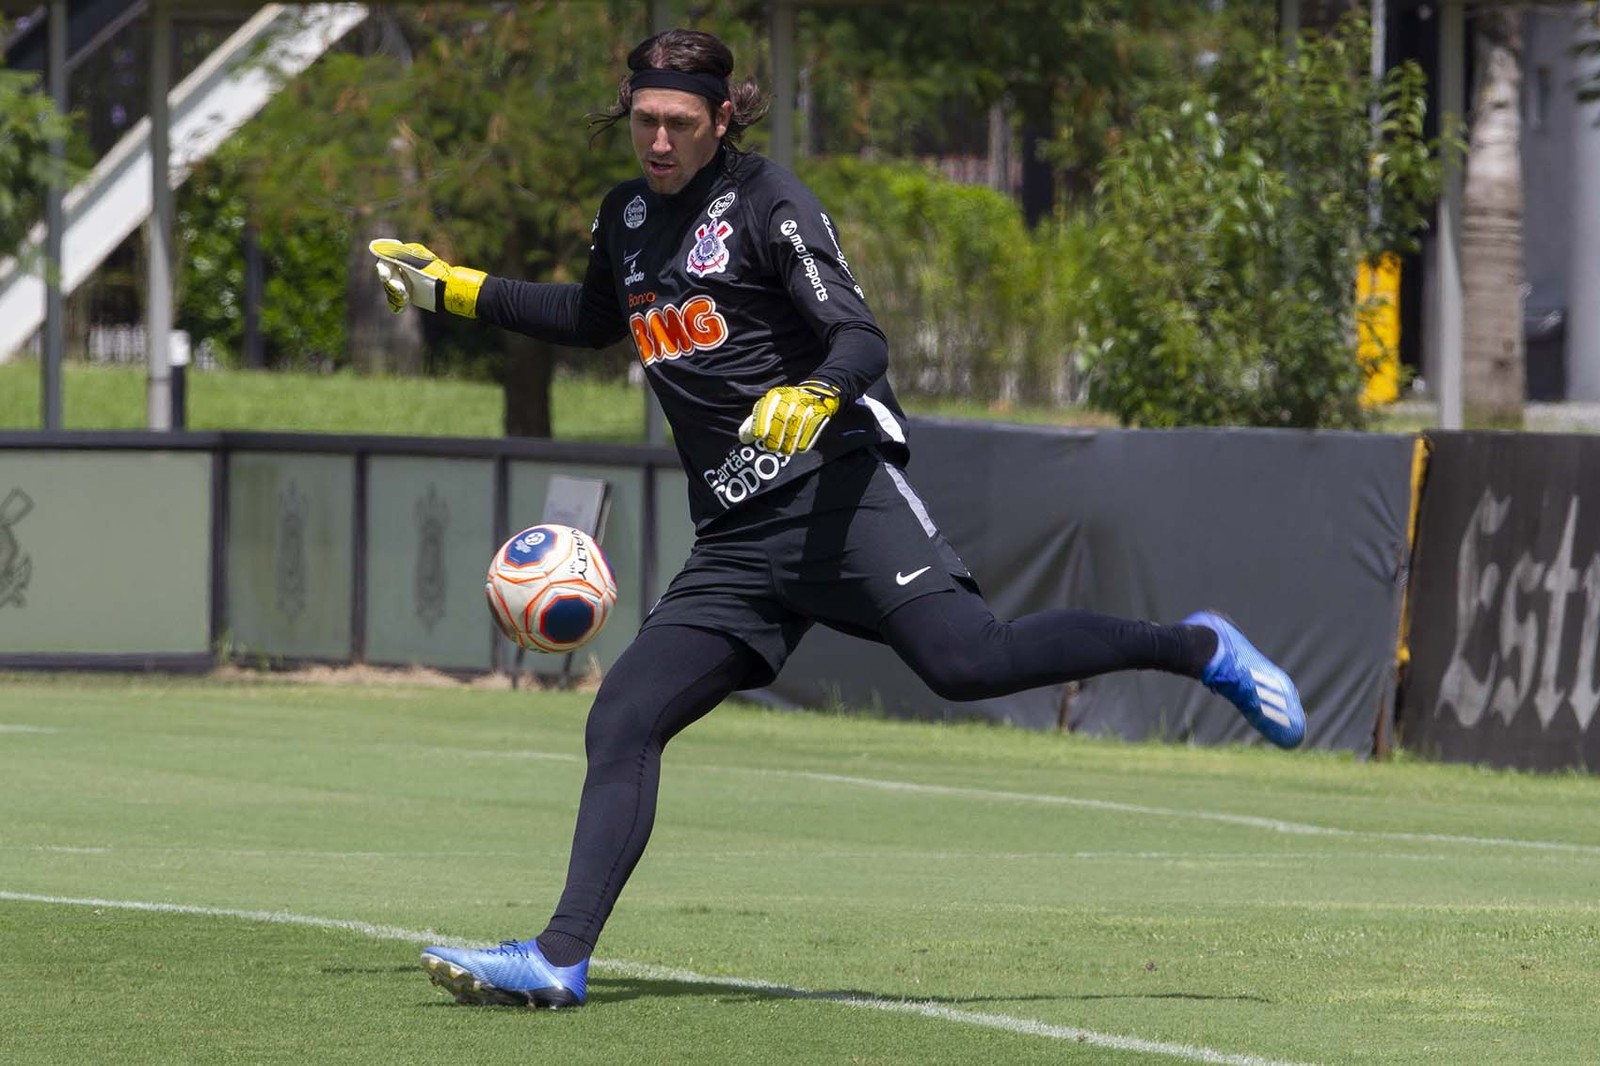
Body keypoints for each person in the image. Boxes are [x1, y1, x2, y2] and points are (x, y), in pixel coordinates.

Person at [370, 27, 1305, 1011]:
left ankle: (1196, 646)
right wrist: (456, 287)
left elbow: (860, 335)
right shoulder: (628, 216)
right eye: (643, 119)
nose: (656, 139)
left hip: (838, 495)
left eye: (679, 123)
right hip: (736, 535)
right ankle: (560, 956)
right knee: (625, 715)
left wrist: (813, 392)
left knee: (969, 663)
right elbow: (593, 319)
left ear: (721, 116)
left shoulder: (769, 202)